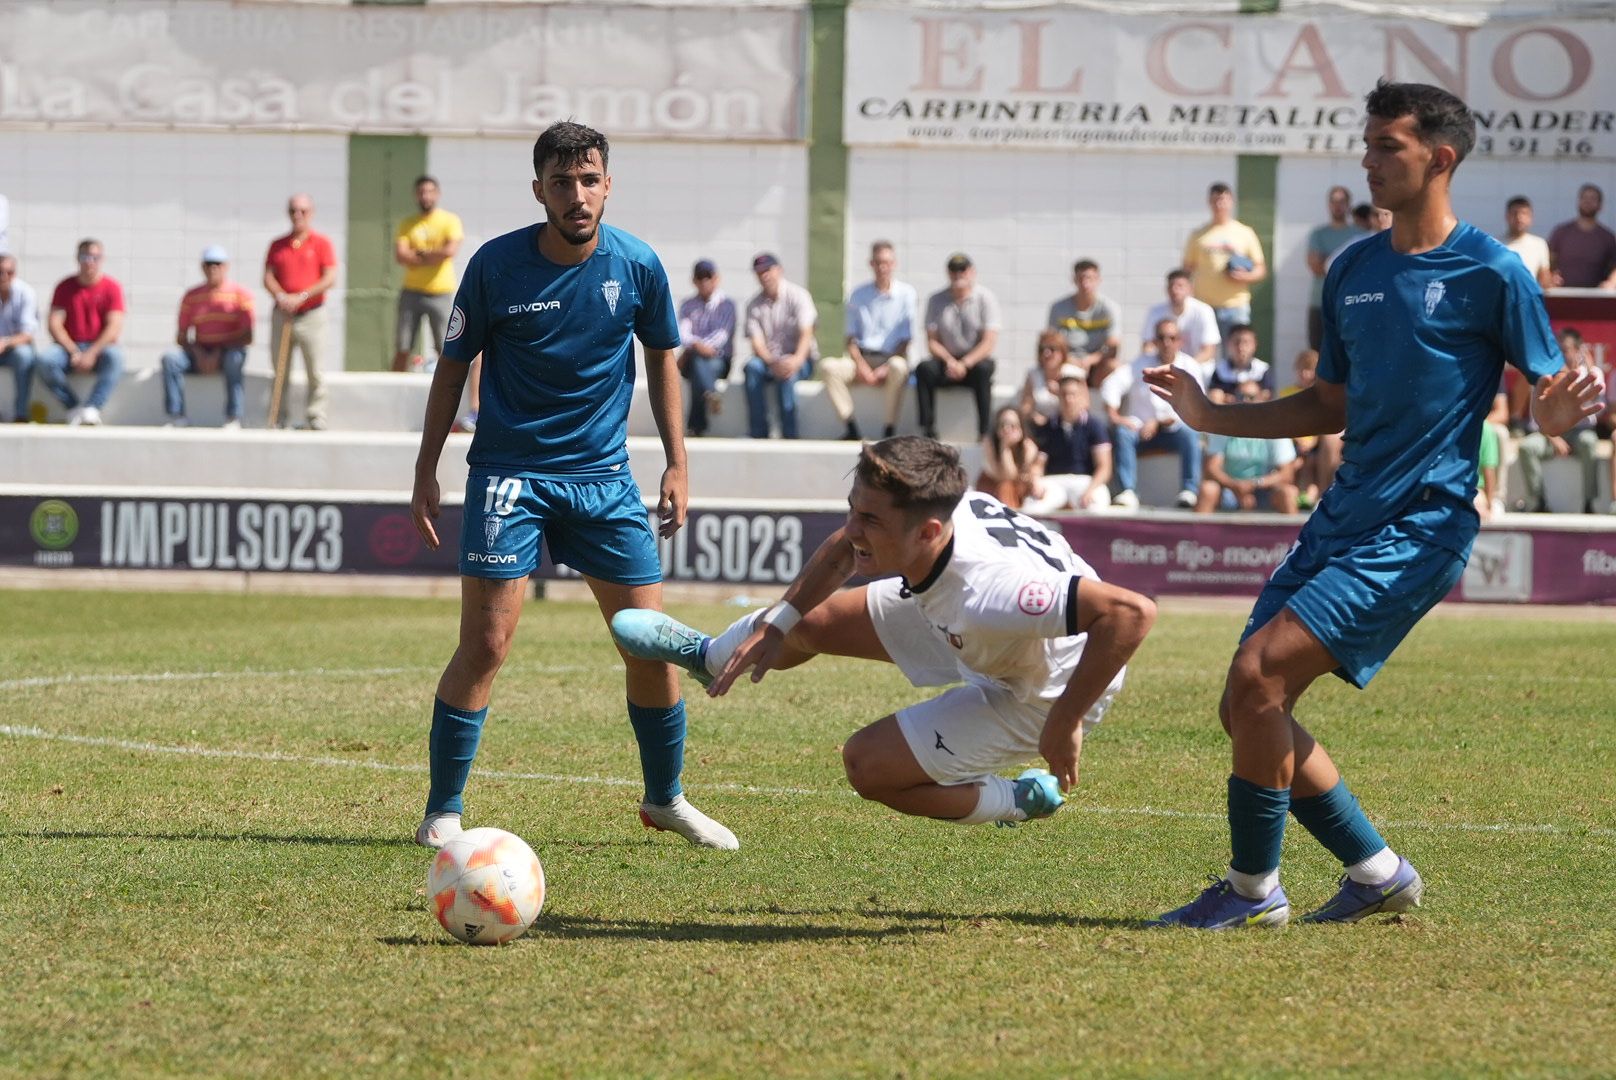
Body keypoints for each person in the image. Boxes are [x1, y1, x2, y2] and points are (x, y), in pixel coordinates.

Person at [1143, 81, 1601, 929]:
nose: (1368, 160)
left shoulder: (1494, 271)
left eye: (1386, 145)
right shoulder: (1353, 265)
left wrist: (1559, 412)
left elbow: (1547, 395)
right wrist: (1211, 417)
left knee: (1257, 678)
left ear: (1440, 158)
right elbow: (1329, 403)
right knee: (1246, 707)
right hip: (1343, 512)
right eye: (1368, 144)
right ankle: (1379, 872)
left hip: (1424, 524)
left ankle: (1251, 895)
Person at [408, 120, 737, 852]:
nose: (577, 195)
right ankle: (443, 810)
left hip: (604, 480)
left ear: (607, 185)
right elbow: (452, 369)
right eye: (561, 183)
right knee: (487, 645)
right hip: (509, 477)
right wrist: (427, 468)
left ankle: (666, 799)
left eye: (589, 180)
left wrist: (678, 462)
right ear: (540, 191)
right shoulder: (496, 266)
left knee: (645, 644)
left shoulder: (639, 265)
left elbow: (662, 362)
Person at [610, 436, 1157, 830]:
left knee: (869, 766)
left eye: (871, 521)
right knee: (810, 621)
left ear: (929, 532)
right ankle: (711, 655)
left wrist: (1064, 721)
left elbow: (1130, 613)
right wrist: (778, 622)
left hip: (1042, 690)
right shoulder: (925, 510)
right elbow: (846, 548)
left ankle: (1017, 799)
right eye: (853, 510)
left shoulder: (992, 593)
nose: (851, 530)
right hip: (960, 616)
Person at [1105, 318, 1203, 510]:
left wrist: (1157, 422)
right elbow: (1111, 385)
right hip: (1140, 430)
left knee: (1190, 434)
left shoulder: (1190, 366)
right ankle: (1128, 491)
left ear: (1180, 341)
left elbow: (1195, 406)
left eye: (1172, 337)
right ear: (1155, 341)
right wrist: (1114, 416)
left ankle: (1189, 490)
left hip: (1173, 430)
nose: (1167, 342)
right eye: (1162, 337)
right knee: (1122, 433)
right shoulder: (1140, 364)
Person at [822, 241, 915, 441]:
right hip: (862, 358)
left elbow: (906, 339)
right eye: (879, 262)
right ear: (871, 264)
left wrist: (884, 367)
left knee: (899, 367)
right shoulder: (858, 294)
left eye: (887, 263)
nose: (883, 267)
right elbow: (850, 339)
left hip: (891, 359)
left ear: (894, 264)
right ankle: (851, 428)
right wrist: (862, 366)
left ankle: (889, 430)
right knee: (828, 367)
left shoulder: (906, 294)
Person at [264, 194, 338, 430]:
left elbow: (329, 278)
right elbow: (268, 276)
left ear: (311, 213)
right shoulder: (278, 245)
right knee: (280, 369)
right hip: (283, 314)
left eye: (303, 211)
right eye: (293, 211)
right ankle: (278, 416)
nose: (298, 216)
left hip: (311, 314)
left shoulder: (321, 243)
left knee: (314, 369)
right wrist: (282, 297)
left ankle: (315, 416)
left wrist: (302, 296)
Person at [160, 246, 253, 428]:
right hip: (200, 352)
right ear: (202, 267)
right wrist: (199, 353)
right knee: (170, 359)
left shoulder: (240, 295)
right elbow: (181, 336)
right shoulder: (192, 296)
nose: (213, 269)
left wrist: (219, 351)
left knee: (235, 358)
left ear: (226, 267)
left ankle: (233, 417)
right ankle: (177, 416)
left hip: (227, 352)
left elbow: (247, 336)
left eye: (217, 264)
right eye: (209, 264)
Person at [35, 238, 125, 426]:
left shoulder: (112, 287)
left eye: (95, 257)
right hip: (70, 348)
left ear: (102, 259)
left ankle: (92, 408)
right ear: (77, 258)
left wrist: (91, 353)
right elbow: (54, 324)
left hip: (99, 348)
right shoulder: (65, 286)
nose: (89, 261)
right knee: (45, 361)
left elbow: (114, 326)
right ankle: (74, 408)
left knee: (116, 357)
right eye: (85, 256)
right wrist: (74, 351)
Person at [1515, 327, 1602, 513]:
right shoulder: (1546, 376)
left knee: (1589, 443)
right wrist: (1553, 437)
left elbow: (1597, 406)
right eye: (1557, 349)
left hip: (1580, 433)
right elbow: (1537, 418)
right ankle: (1540, 502)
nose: (1560, 355)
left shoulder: (1592, 373)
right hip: (1549, 434)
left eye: (1565, 350)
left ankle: (1589, 504)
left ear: (1578, 351)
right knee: (1526, 447)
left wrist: (1588, 373)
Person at [919, 253, 999, 440]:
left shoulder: (985, 298)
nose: (958, 274)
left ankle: (984, 431)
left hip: (973, 362)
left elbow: (989, 342)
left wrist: (965, 363)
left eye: (963, 269)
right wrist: (949, 361)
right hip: (947, 361)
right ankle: (928, 429)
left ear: (972, 272)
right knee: (924, 369)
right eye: (954, 270)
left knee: (984, 369)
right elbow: (932, 341)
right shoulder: (936, 300)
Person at [1183, 182, 1267, 350]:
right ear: (1209, 202)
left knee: (1237, 352)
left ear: (1231, 201)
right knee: (1205, 353)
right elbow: (1187, 270)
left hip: (1235, 306)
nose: (1219, 204)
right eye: (1215, 200)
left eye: (1223, 200)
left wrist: (1245, 276)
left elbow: (1261, 269)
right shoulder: (1198, 235)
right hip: (1205, 306)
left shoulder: (1245, 233)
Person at [393, 176, 464, 372]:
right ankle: (395, 389)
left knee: (445, 346)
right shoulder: (408, 223)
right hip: (411, 291)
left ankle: (446, 390)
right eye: (422, 192)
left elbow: (449, 251)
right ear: (416, 195)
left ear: (437, 194)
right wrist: (433, 255)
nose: (426, 196)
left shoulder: (449, 220)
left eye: (430, 192)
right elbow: (401, 255)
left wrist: (419, 254)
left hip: (440, 291)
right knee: (402, 346)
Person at [742, 253, 817, 439]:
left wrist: (796, 360)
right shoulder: (753, 304)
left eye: (768, 270)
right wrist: (771, 361)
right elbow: (756, 342)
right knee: (751, 367)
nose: (764, 275)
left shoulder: (799, 296)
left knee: (788, 375)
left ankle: (790, 434)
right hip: (769, 360)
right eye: (760, 272)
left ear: (779, 270)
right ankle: (758, 432)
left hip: (801, 359)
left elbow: (806, 333)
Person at [1022, 371, 1113, 514]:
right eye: (1064, 394)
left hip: (1085, 481)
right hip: (1055, 481)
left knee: (1097, 506)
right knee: (1032, 506)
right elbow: (1039, 463)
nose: (1068, 399)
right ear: (1058, 396)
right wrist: (1036, 481)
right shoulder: (1049, 426)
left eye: (1073, 394)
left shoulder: (1095, 426)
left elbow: (1104, 467)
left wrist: (1090, 490)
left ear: (1081, 396)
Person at [1197, 395, 1301, 514]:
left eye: (1251, 397)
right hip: (1228, 488)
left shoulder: (1277, 428)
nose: (1246, 401)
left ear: (1264, 399)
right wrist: (1236, 486)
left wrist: (1254, 484)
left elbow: (1286, 474)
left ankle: (1294, 533)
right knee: (1208, 490)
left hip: (1265, 490)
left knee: (1288, 492)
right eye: (1241, 396)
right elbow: (1211, 468)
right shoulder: (1223, 426)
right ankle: (1196, 532)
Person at [676, 259, 736, 438]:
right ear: (694, 281)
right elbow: (682, 334)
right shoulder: (687, 305)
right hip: (695, 356)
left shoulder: (726, 304)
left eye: (708, 277)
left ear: (716, 278)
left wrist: (697, 345)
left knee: (698, 367)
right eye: (700, 278)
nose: (704, 282)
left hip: (718, 360)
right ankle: (710, 393)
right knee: (697, 362)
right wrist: (698, 346)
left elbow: (722, 336)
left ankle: (696, 426)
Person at [1305, 186, 1363, 349]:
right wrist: (1344, 262)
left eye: (1342, 201)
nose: (1337, 205)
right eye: (1334, 201)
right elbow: (1316, 266)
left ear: (1348, 205)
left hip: (1349, 305)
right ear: (1328, 204)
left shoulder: (1358, 235)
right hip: (1320, 303)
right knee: (1318, 354)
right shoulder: (1318, 234)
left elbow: (1359, 269)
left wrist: (1328, 260)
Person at [1285, 349, 1343, 510]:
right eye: (1301, 369)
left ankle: (1319, 495)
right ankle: (1304, 497)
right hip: (1295, 443)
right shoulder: (1287, 393)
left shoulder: (1323, 395)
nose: (1305, 373)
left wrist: (1311, 443)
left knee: (1312, 461)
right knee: (1301, 463)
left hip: (1314, 444)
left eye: (1309, 369)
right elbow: (1286, 422)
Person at [1139, 269, 1219, 375]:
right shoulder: (1155, 312)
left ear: (1190, 289)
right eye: (1171, 286)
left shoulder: (1204, 311)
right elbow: (1148, 346)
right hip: (1162, 365)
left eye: (1180, 286)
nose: (1175, 290)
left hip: (1196, 366)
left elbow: (1209, 351)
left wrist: (1187, 367)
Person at [1046, 259, 1120, 370]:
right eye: (1081, 278)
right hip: (1067, 362)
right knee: (1049, 364)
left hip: (1097, 363)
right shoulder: (1058, 308)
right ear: (1074, 280)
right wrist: (1069, 359)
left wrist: (1091, 360)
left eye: (1090, 278)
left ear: (1098, 280)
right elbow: (1051, 341)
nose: (1085, 284)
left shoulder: (1110, 308)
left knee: (1113, 366)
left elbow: (1113, 344)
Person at [1548, 183, 1616, 289]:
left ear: (1600, 206)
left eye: (1593, 199)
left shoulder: (1608, 237)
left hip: (1596, 298)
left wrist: (1612, 282)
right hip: (1562, 296)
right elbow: (1547, 260)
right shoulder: (1561, 232)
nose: (1588, 202)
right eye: (1584, 198)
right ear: (1578, 202)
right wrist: (1550, 277)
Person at [974, 405, 1042, 509]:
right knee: (1005, 486)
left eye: (1012, 425)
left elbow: (1019, 477)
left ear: (1021, 428)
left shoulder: (1029, 447)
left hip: (1017, 488)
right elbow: (1005, 477)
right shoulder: (989, 444)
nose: (1007, 429)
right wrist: (1004, 447)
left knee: (1011, 487)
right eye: (1003, 425)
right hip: (991, 485)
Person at [0, 254, 38, 423]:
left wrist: (5, 342)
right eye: (0, 272)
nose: (4, 276)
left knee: (24, 355)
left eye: (10, 272)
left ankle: (20, 413)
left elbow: (27, 334)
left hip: (13, 349)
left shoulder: (26, 293)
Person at [1206, 324, 1276, 403]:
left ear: (1254, 345)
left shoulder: (1262, 369)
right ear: (1228, 344)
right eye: (1236, 342)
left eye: (1246, 342)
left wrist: (1250, 395)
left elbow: (1267, 395)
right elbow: (1213, 394)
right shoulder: (1220, 370)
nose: (1241, 347)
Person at [1019, 330, 1072, 426]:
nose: (1046, 353)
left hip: (1067, 426)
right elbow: (1026, 406)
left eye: (1052, 349)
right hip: (1041, 427)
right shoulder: (1033, 374)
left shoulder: (1073, 373)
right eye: (1042, 349)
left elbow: (1082, 408)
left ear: (1062, 352)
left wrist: (1060, 393)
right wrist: (1033, 415)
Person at [1499, 195, 1553, 290]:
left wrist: (1551, 281)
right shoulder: (1494, 244)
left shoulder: (1539, 244)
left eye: (1524, 213)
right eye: (1514, 213)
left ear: (1530, 217)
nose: (1519, 218)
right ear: (1507, 216)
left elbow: (1544, 279)